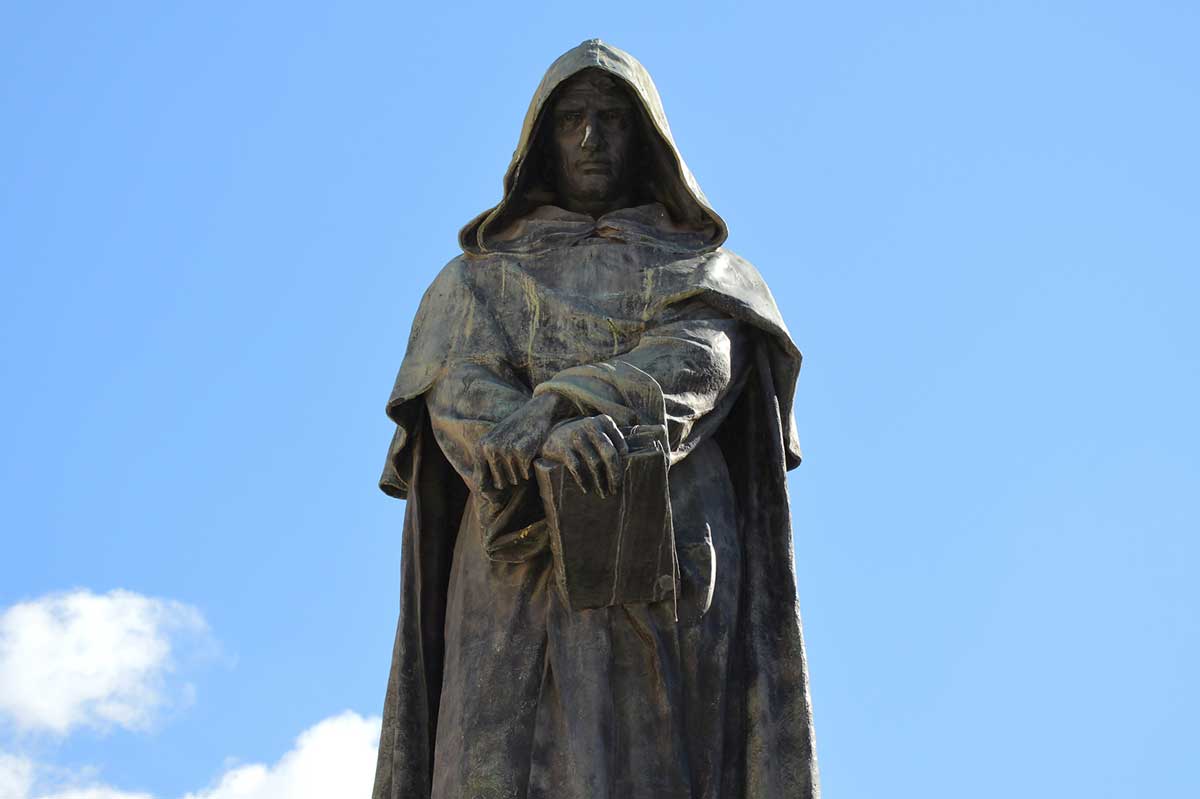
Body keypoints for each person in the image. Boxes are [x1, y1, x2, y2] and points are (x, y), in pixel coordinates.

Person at [372, 40, 819, 799]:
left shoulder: (711, 274)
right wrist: (544, 441)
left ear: (647, 141)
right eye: (572, 118)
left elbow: (698, 362)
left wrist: (562, 402)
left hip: (667, 562)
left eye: (611, 119)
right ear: (541, 140)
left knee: (662, 765)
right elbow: (457, 385)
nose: (590, 138)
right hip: (516, 563)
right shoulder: (475, 282)